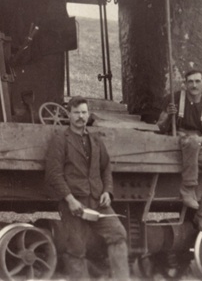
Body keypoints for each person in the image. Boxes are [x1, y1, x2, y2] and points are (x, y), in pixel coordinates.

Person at [44, 96, 130, 280]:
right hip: (74, 203)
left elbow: (106, 168)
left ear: (88, 114)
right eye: (76, 113)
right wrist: (70, 200)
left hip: (98, 201)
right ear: (69, 115)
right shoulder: (60, 140)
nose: (80, 117)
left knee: (118, 234)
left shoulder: (96, 140)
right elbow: (54, 174)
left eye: (83, 112)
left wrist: (107, 191)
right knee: (76, 248)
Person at [155, 69, 202, 234]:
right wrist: (168, 116)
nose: (194, 85)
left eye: (197, 81)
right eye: (190, 82)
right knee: (190, 141)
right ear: (185, 84)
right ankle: (188, 189)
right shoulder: (173, 99)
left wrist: (197, 140)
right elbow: (159, 126)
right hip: (174, 143)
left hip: (196, 144)